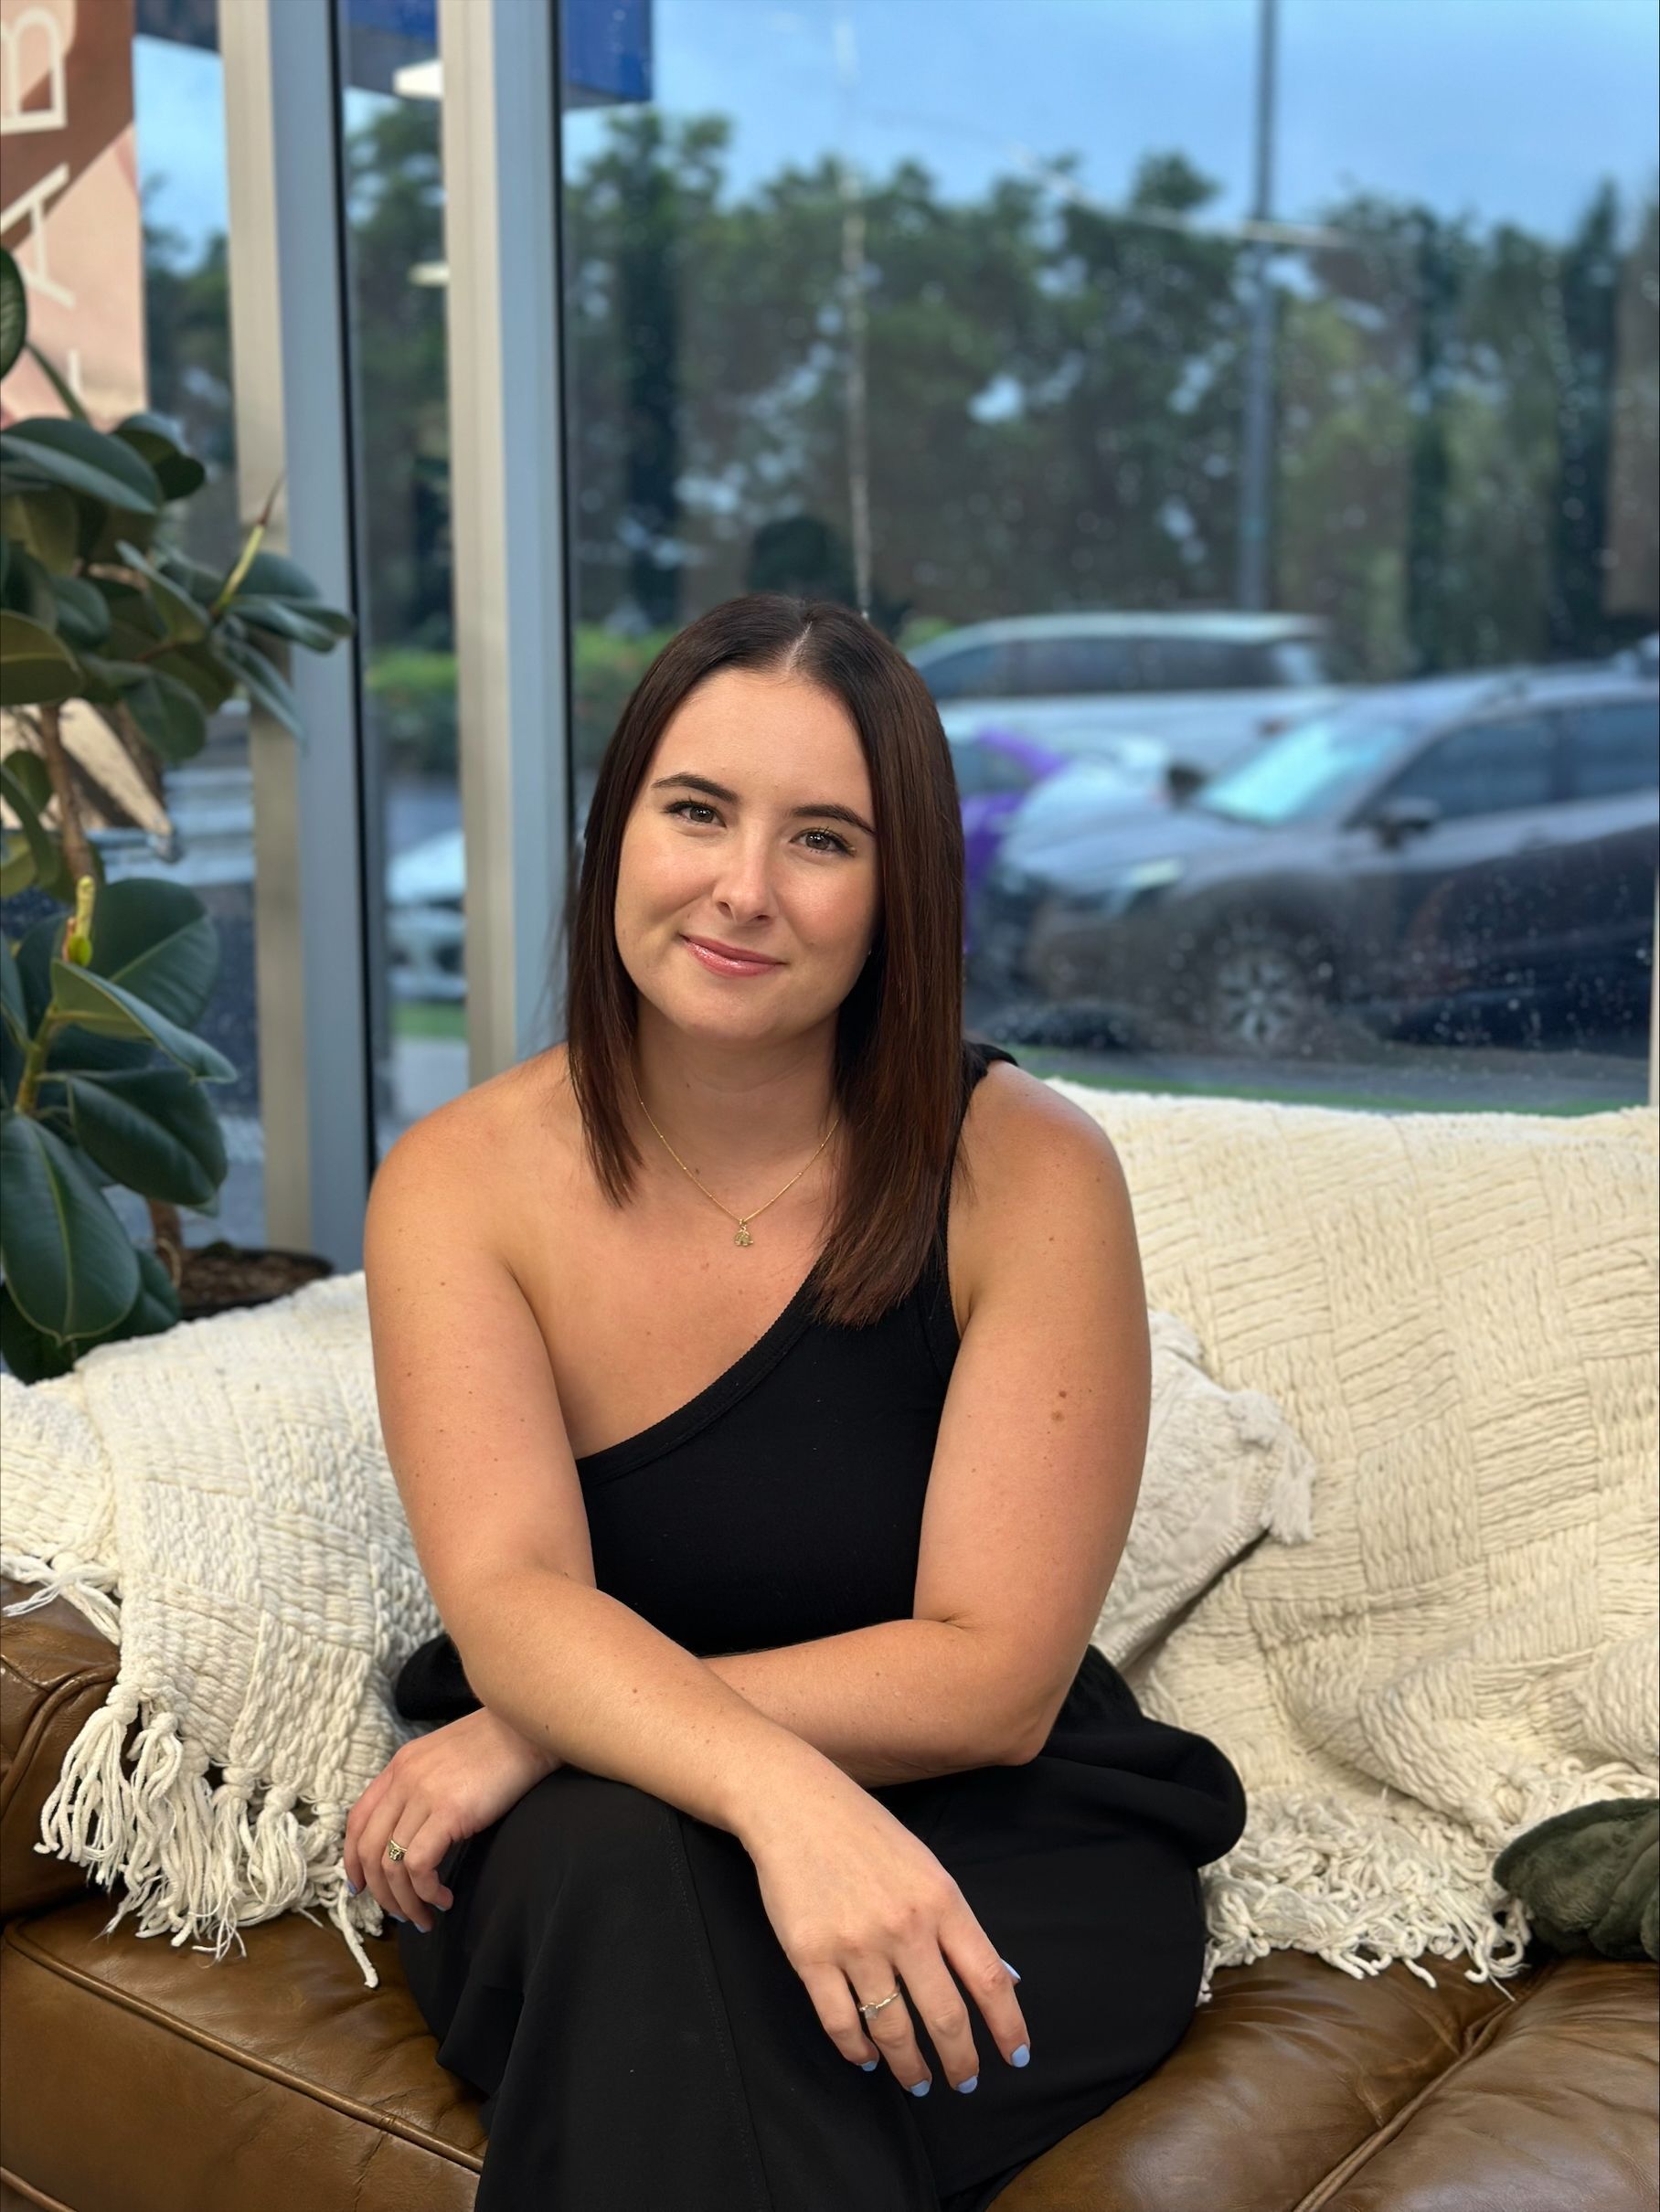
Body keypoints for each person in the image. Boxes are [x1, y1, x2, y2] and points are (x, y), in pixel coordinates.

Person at [350, 592, 1248, 2211]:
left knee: (673, 2016)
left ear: (900, 892)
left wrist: (535, 1737)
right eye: (696, 812)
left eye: (823, 840)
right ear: (617, 828)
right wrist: (775, 1800)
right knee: (628, 1888)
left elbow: (991, 1682)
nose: (743, 890)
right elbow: (513, 1597)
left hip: (993, 1828)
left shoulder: (1024, 1171)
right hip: (600, 1842)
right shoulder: (458, 1184)